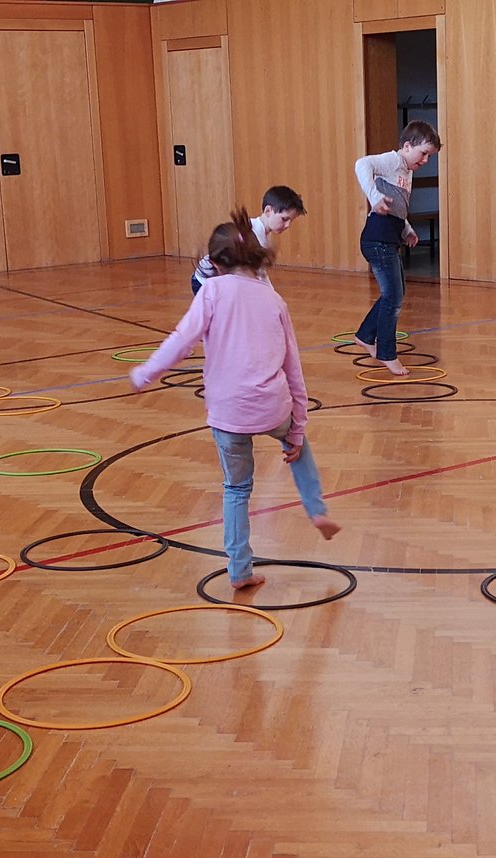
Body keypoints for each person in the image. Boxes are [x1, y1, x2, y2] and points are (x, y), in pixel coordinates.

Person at [131, 210, 339, 591]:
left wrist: (146, 373)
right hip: (273, 406)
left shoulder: (210, 292)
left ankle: (240, 570)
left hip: (229, 412)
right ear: (256, 257)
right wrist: (296, 429)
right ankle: (316, 509)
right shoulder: (274, 300)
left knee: (237, 489)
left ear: (214, 263)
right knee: (299, 448)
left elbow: (181, 341)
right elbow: (294, 368)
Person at [352, 121, 442, 375]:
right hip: (377, 240)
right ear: (407, 146)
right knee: (393, 297)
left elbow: (398, 209)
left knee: (395, 293)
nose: (425, 160)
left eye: (429, 156)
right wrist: (374, 197)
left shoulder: (406, 171)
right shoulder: (393, 161)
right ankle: (387, 353)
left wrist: (407, 229)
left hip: (388, 239)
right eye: (423, 153)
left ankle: (365, 336)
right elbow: (362, 164)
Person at [192, 186, 305, 294]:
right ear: (268, 211)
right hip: (204, 280)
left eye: (291, 221)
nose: (288, 225)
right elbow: (257, 275)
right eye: (284, 219)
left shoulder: (262, 233)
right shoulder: (254, 235)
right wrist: (272, 295)